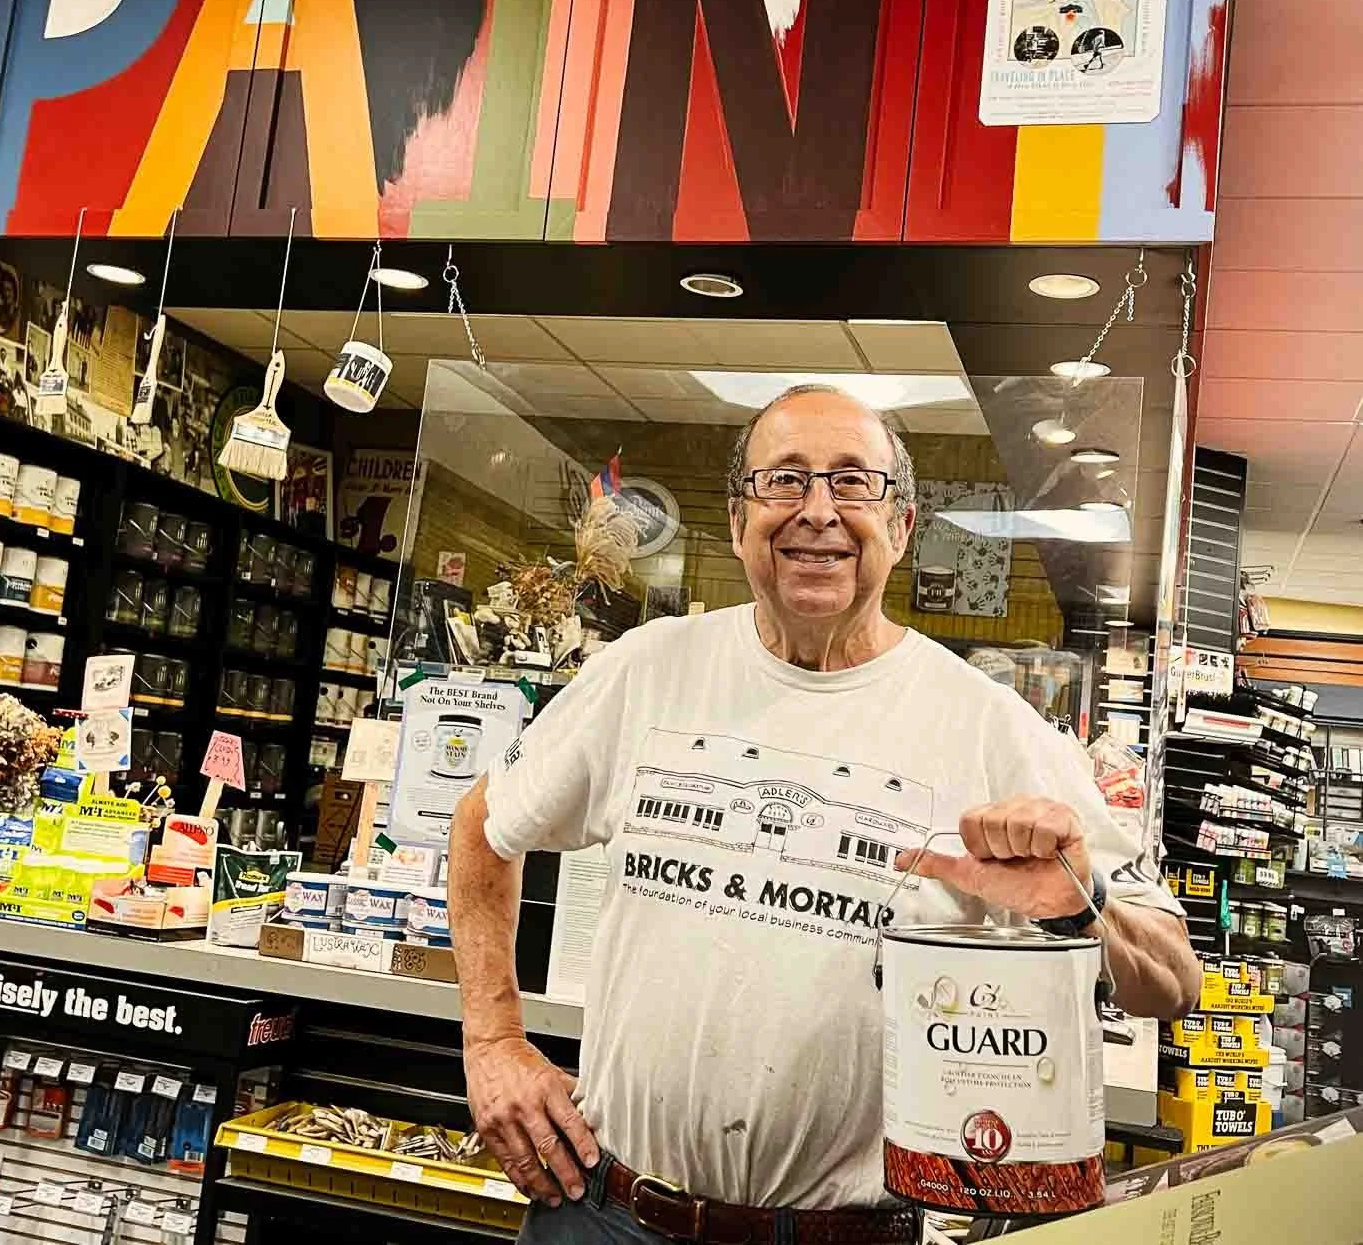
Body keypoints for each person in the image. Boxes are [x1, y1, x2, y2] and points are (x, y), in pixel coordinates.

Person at [448, 385, 1199, 1245]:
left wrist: (1080, 903)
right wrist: (492, 1040)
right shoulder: (646, 668)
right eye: (784, 480)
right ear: (739, 522)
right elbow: (482, 825)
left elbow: (1173, 981)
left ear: (902, 527)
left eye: (852, 482)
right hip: (608, 1214)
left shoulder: (988, 723)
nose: (817, 510)